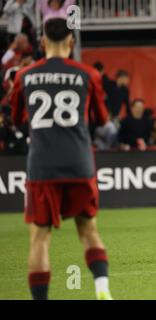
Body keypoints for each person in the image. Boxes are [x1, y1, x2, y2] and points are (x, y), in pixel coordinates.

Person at [9, 18, 112, 300]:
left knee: (40, 238)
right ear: (71, 42)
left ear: (42, 43)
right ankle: (102, 289)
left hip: (42, 166)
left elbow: (17, 121)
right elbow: (102, 120)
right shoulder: (88, 74)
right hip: (79, 163)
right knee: (88, 230)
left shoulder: (24, 76)